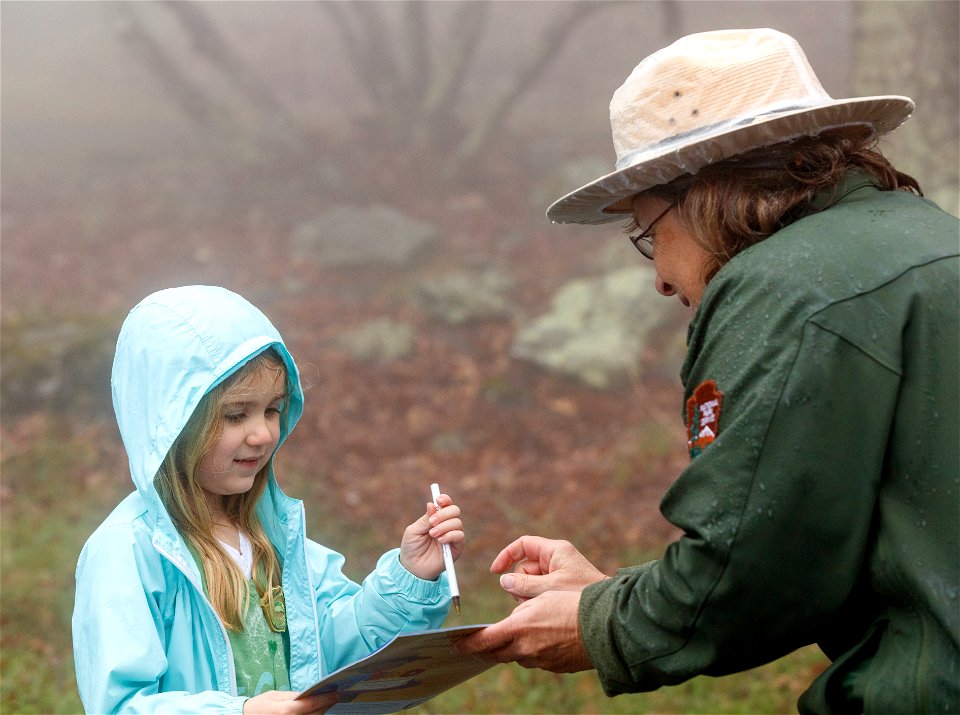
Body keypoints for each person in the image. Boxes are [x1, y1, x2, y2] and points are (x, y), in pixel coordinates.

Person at [457, 27, 959, 714]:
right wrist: (611, 594)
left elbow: (754, 571)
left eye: (647, 232)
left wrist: (600, 622)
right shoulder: (928, 236)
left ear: (704, 191)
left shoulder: (785, 286)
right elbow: (805, 540)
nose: (660, 280)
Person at [73, 285, 465, 714]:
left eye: (272, 410)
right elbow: (121, 705)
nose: (261, 434)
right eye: (236, 414)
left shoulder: (273, 536)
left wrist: (411, 578)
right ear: (173, 421)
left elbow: (338, 648)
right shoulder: (129, 552)